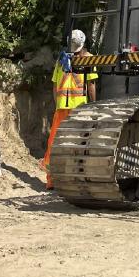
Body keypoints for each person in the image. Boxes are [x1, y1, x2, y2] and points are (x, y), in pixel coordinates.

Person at [40, 29, 98, 188]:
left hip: (62, 109)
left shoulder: (61, 60)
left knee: (55, 144)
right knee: (79, 144)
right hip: (79, 109)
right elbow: (91, 84)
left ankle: (52, 180)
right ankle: (76, 178)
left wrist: (57, 104)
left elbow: (54, 85)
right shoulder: (88, 59)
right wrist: (94, 106)